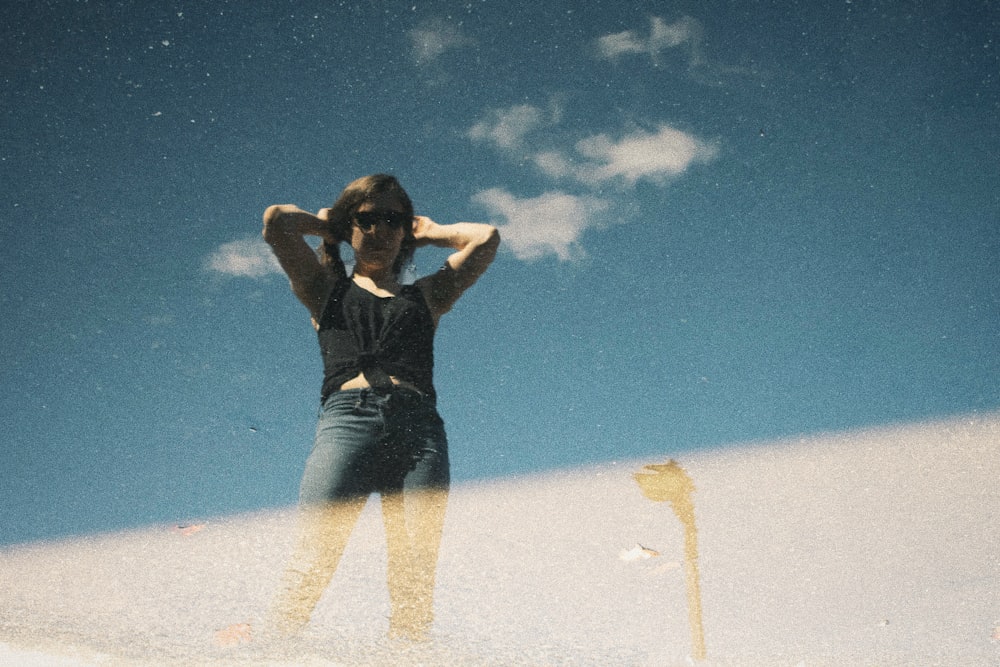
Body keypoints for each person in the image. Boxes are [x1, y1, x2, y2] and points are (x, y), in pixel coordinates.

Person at [260, 174, 499, 642]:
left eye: (394, 220)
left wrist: (427, 231)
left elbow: (486, 238)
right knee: (315, 553)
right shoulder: (322, 288)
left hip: (419, 432)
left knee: (414, 572)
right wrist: (330, 226)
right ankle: (272, 651)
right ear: (350, 225)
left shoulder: (427, 296)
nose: (382, 230)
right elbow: (277, 223)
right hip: (348, 421)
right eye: (369, 219)